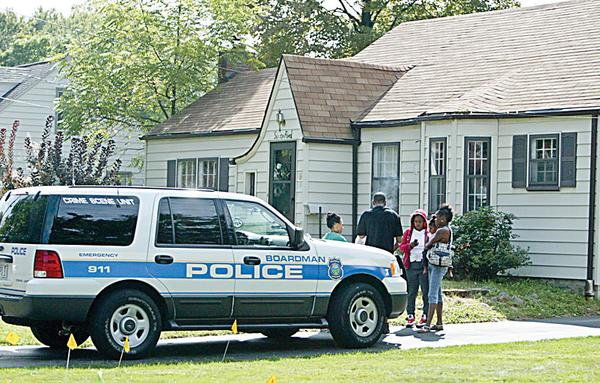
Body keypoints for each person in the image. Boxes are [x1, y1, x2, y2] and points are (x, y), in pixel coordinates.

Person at [420, 204, 454, 333]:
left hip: (437, 264)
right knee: (438, 294)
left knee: (432, 294)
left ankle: (427, 325)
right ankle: (439, 323)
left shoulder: (442, 231)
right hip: (439, 264)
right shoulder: (448, 229)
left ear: (443, 218)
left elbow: (429, 243)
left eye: (438, 216)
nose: (436, 219)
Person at [399, 209, 429, 328]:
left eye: (420, 221)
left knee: (425, 291)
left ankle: (425, 314)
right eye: (415, 221)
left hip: (423, 266)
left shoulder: (427, 233)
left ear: (424, 222)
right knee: (412, 291)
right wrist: (410, 246)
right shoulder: (408, 233)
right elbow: (402, 248)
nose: (418, 224)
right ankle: (410, 314)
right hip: (411, 265)